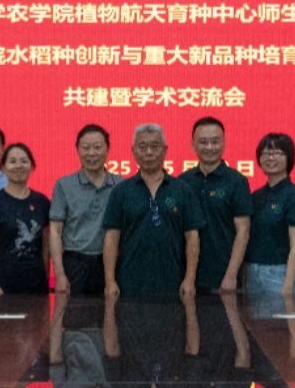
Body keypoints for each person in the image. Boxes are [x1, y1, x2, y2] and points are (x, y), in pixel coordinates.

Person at [102, 124, 206, 297]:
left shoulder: (183, 190)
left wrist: (189, 278)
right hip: (129, 283)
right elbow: (112, 238)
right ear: (133, 151)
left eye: (155, 146)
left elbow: (192, 237)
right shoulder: (121, 191)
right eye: (142, 147)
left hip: (173, 283)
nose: (149, 152)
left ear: (165, 150)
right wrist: (110, 281)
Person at [179, 117, 253, 293]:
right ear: (193, 145)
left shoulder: (237, 181)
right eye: (203, 142)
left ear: (224, 144)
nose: (209, 147)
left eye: (215, 141)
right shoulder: (182, 181)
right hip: (186, 278)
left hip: (224, 279)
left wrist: (231, 275)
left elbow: (243, 231)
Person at [50, 124, 123, 295]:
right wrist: (59, 274)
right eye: (86, 147)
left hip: (111, 264)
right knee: (73, 311)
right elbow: (55, 230)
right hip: (74, 264)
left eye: (97, 147)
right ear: (77, 150)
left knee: (111, 310)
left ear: (108, 149)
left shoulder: (121, 185)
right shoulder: (64, 185)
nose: (91, 153)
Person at [0, 143, 51, 295]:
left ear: (32, 167)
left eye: (24, 161)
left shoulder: (42, 202)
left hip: (36, 285)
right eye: (12, 161)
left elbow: (45, 245)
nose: (18, 166)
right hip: (3, 284)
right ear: (3, 168)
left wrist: (46, 280)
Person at [245, 132, 295, 296]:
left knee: (282, 313)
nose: (270, 158)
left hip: (280, 272)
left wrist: (287, 286)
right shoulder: (255, 196)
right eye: (265, 154)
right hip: (253, 271)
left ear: (289, 157)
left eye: (277, 153)